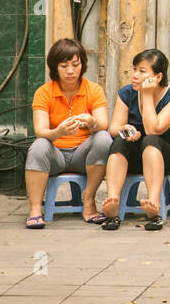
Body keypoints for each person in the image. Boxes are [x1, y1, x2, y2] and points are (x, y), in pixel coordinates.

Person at [24, 39, 113, 228]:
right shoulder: (44, 92)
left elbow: (104, 124)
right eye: (64, 66)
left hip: (83, 155)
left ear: (83, 65)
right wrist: (59, 131)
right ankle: (35, 210)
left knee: (104, 138)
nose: (70, 71)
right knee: (38, 145)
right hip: (55, 155)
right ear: (55, 68)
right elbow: (40, 131)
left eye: (75, 64)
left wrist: (91, 122)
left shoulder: (93, 90)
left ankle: (88, 202)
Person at [100, 49, 170, 231]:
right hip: (135, 158)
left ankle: (153, 206)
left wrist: (147, 95)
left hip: (166, 157)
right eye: (134, 69)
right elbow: (114, 129)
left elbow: (154, 129)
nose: (135, 75)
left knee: (150, 140)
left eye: (142, 71)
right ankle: (112, 204)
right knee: (119, 142)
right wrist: (125, 130)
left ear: (158, 76)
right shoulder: (127, 94)